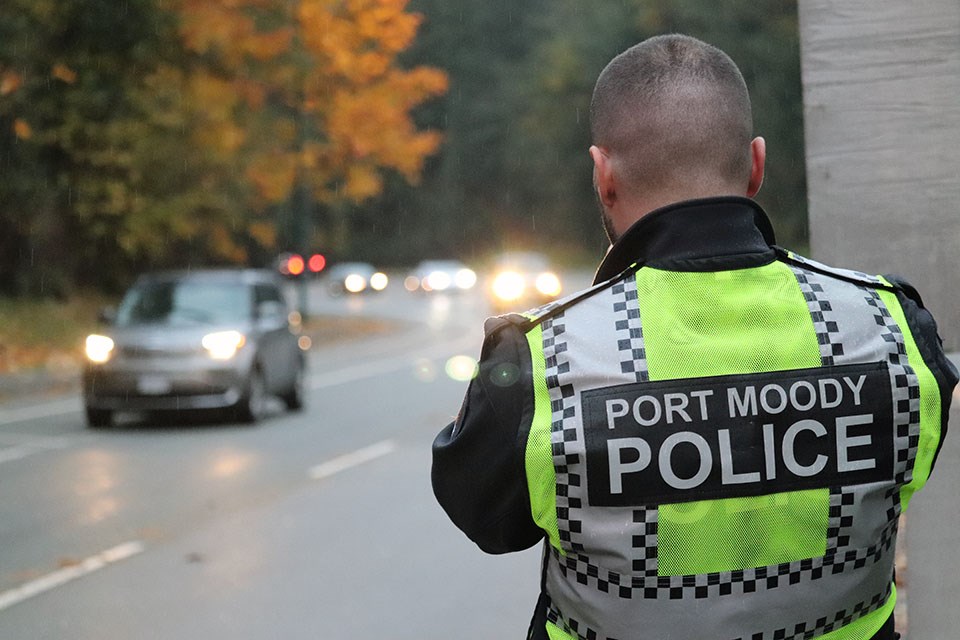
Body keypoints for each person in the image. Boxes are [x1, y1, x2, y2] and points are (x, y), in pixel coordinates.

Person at [431, 33, 957, 640]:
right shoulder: (895, 330)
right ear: (757, 163)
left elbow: (488, 522)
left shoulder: (541, 360)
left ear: (603, 176)